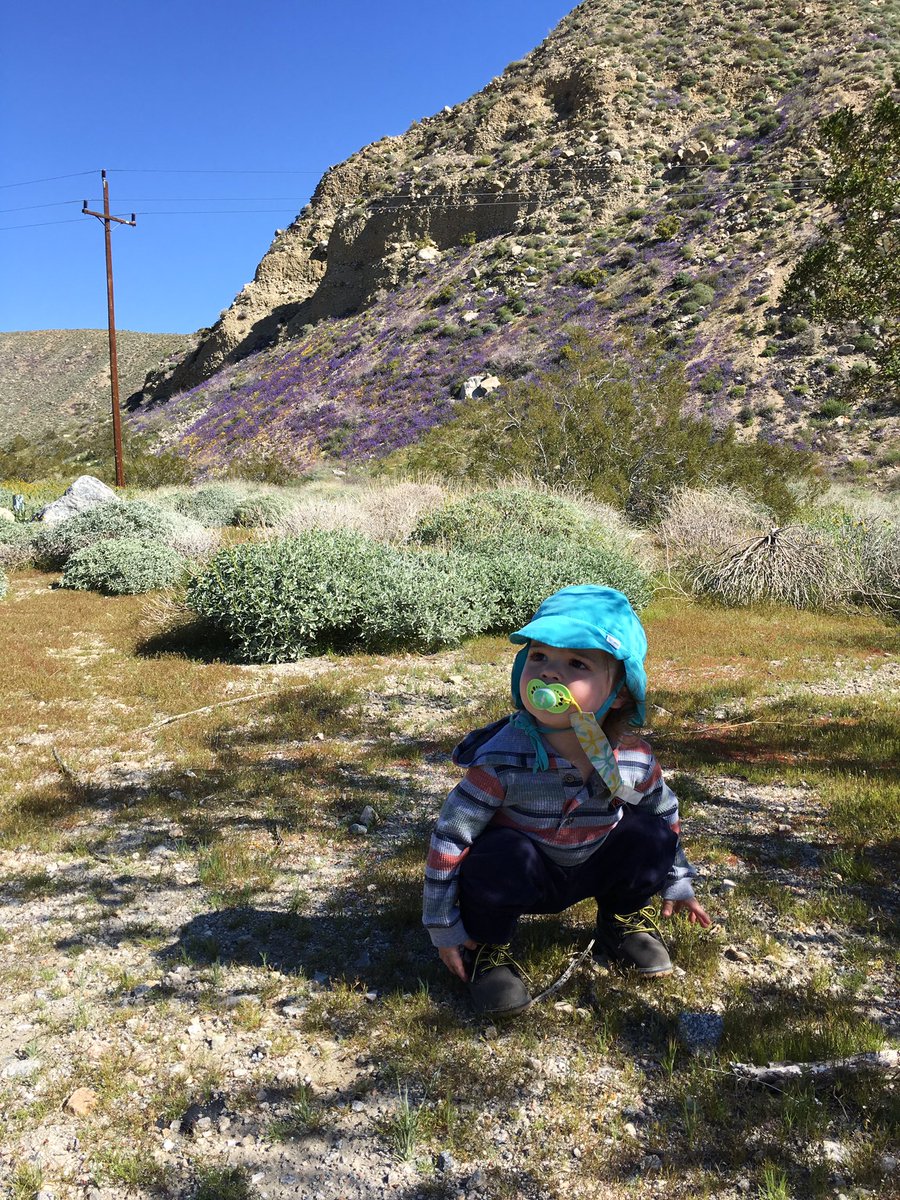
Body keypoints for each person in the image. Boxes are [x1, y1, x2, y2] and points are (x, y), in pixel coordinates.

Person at [422, 584, 711, 1016]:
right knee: (500, 852)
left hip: (595, 861)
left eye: (577, 663)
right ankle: (487, 945)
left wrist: (677, 879)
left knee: (649, 832)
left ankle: (622, 921)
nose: (549, 673)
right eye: (538, 656)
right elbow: (450, 837)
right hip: (527, 873)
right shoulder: (504, 758)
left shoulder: (632, 758)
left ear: (621, 693)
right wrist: (443, 925)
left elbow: (665, 815)